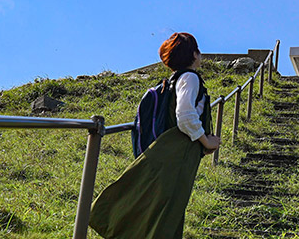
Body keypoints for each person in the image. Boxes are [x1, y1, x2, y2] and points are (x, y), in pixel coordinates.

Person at [89, 32, 221, 239]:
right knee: (167, 211)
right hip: (178, 152)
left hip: (166, 149)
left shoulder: (172, 81)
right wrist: (207, 141)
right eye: (198, 50)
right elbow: (185, 115)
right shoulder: (190, 78)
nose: (200, 54)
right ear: (194, 54)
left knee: (157, 208)